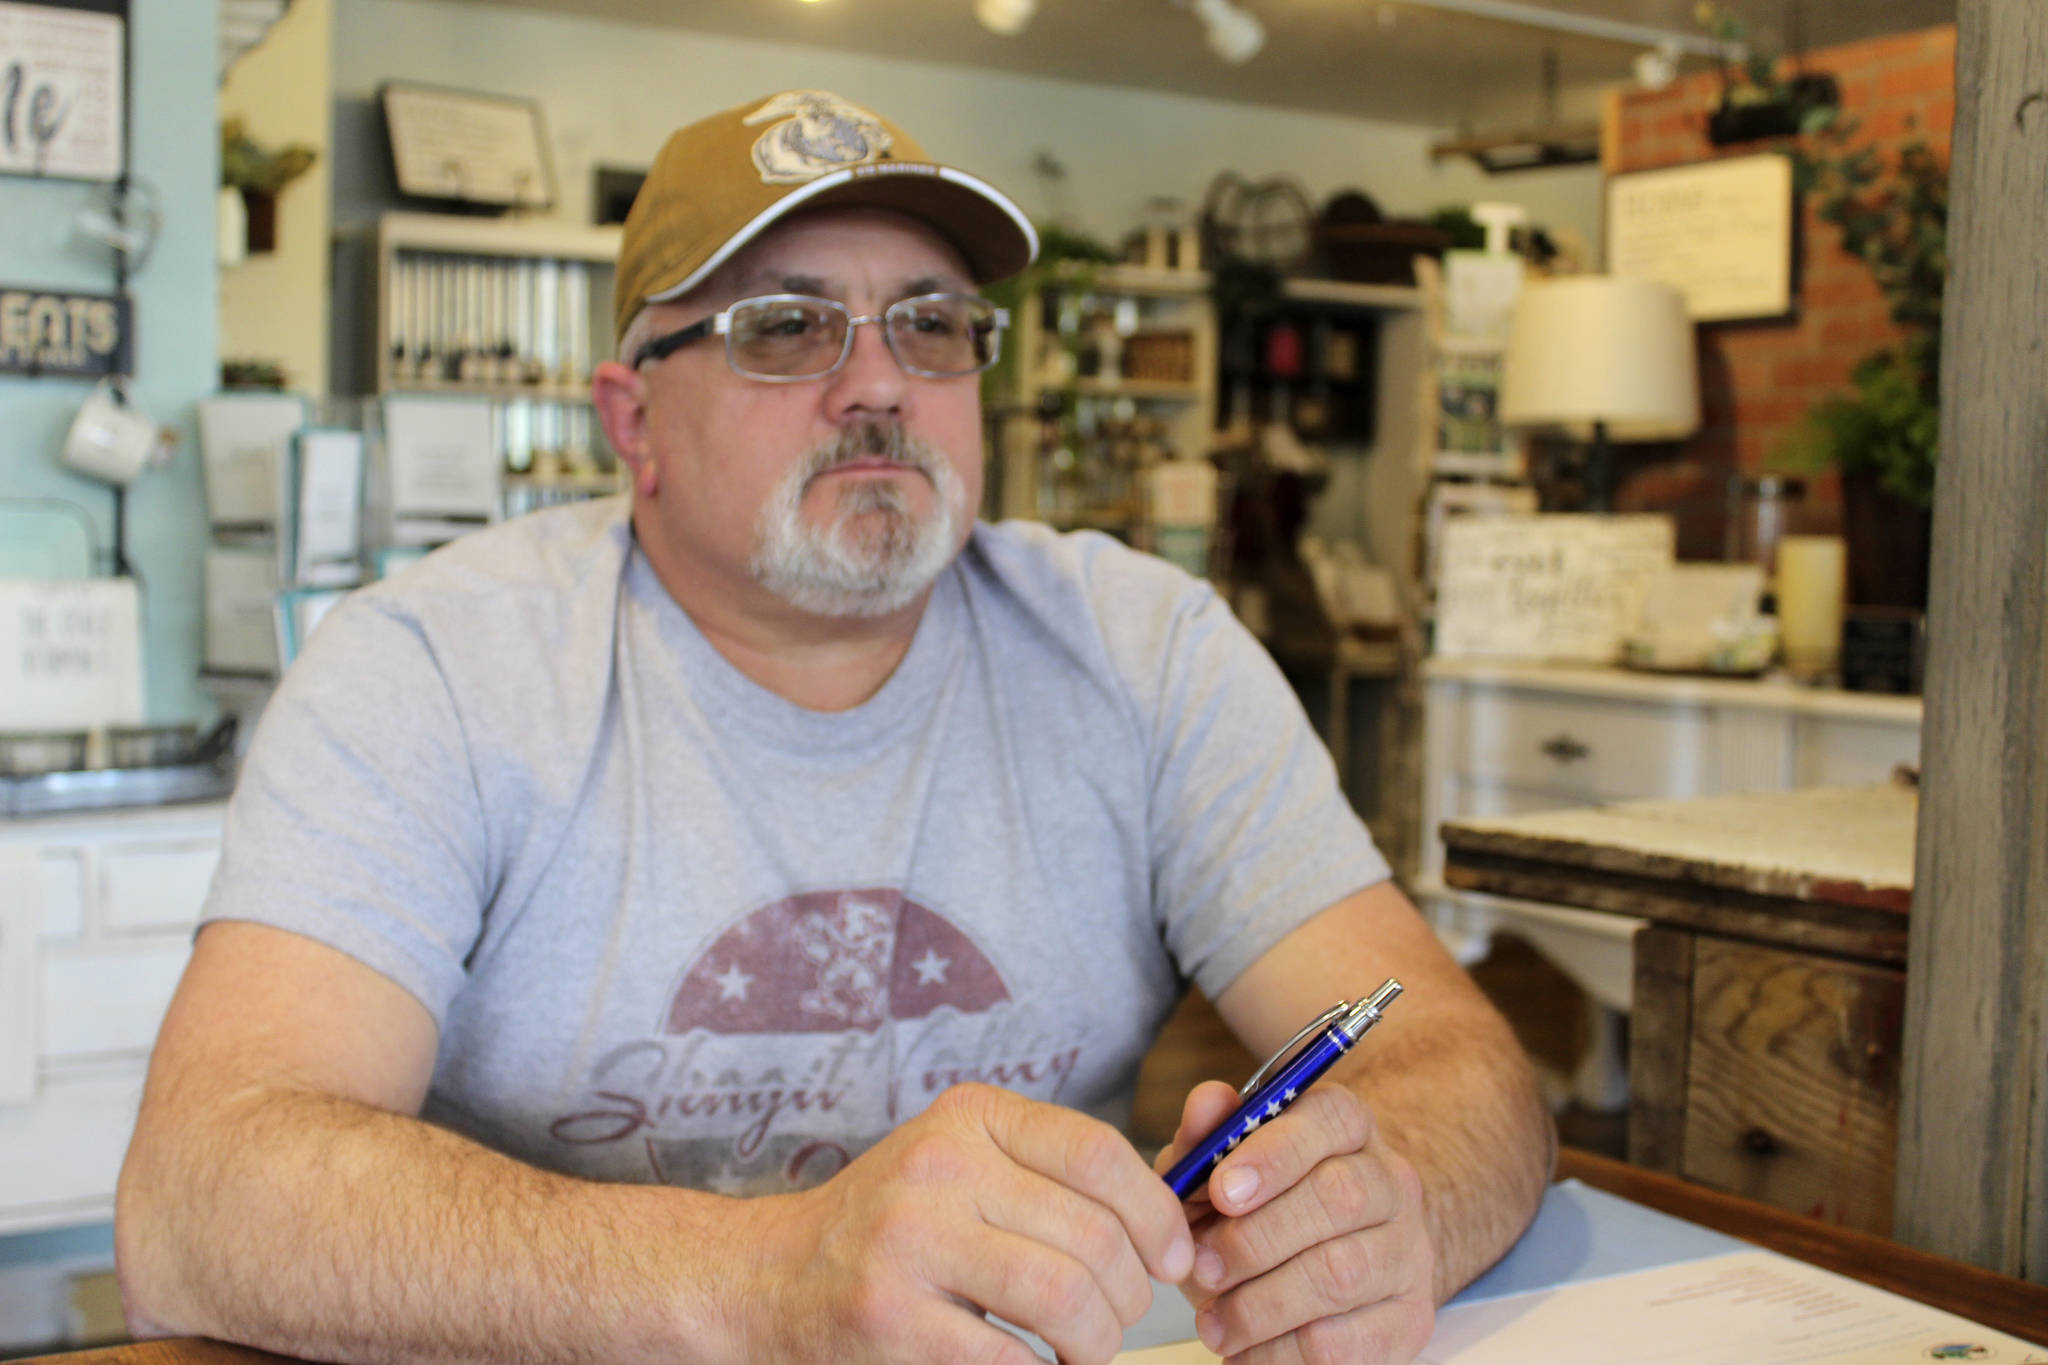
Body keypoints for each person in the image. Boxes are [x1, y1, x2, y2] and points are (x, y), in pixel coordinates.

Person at [117, 89, 1551, 1365]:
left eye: (931, 322)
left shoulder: (1142, 648)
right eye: (785, 326)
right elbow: (203, 1194)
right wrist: (762, 1285)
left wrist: (1389, 1206)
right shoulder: (436, 669)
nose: (879, 382)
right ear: (634, 420)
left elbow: (1460, 1067)